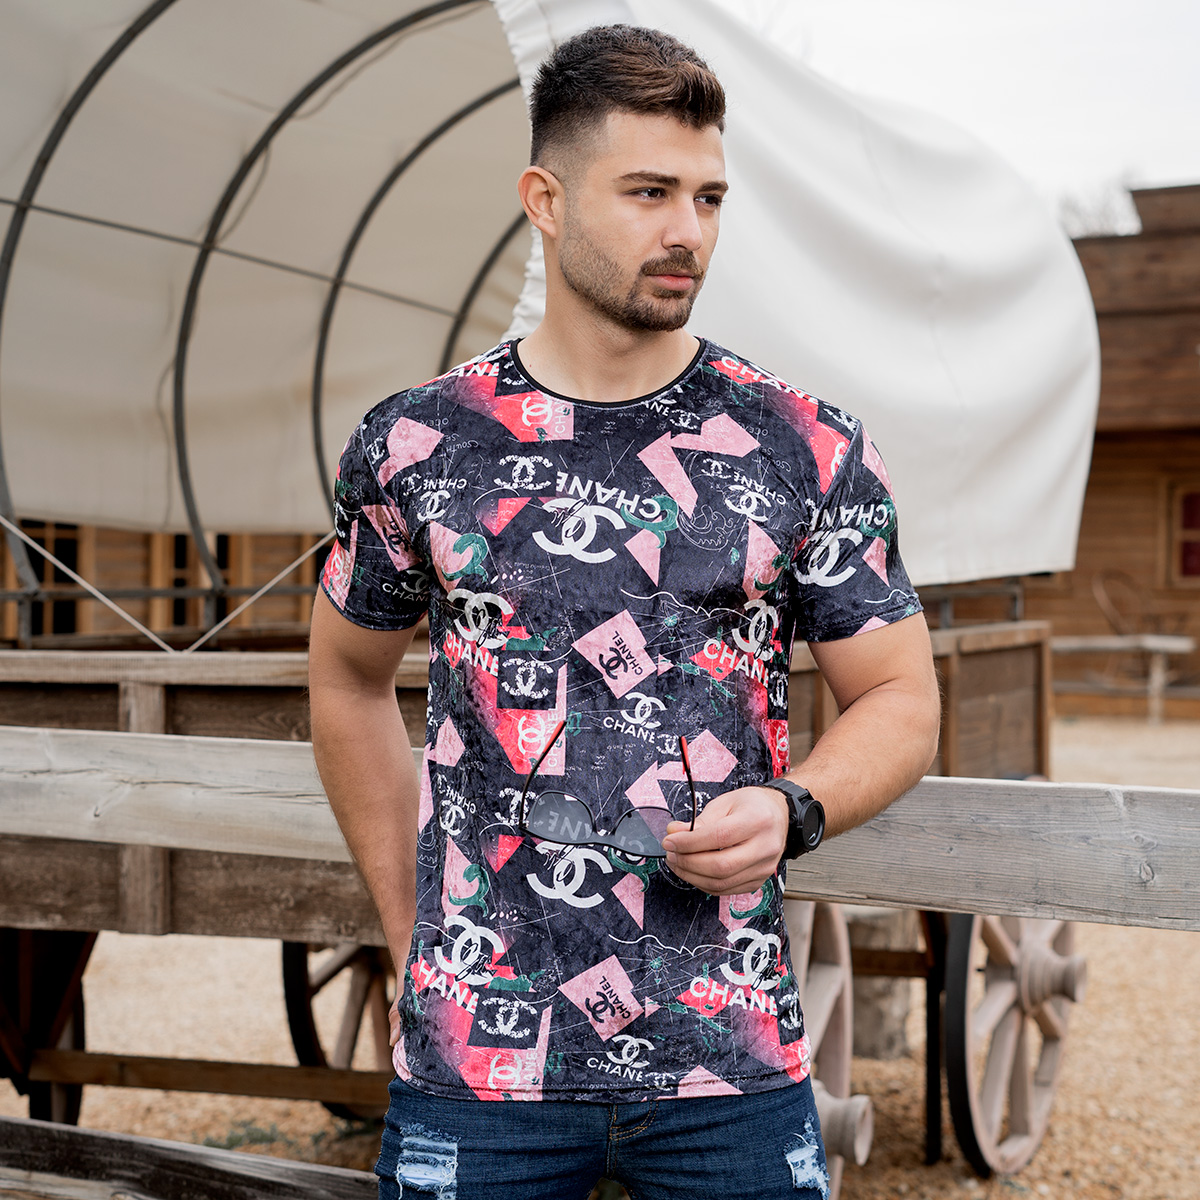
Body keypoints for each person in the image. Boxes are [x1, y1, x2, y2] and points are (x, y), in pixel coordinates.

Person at [309, 23, 940, 1200]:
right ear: (545, 201)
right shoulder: (419, 445)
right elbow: (346, 678)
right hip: (477, 1069)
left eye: (709, 197)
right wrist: (415, 944)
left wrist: (795, 806)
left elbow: (901, 696)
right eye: (649, 192)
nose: (687, 230)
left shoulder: (803, 447)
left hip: (729, 1062)